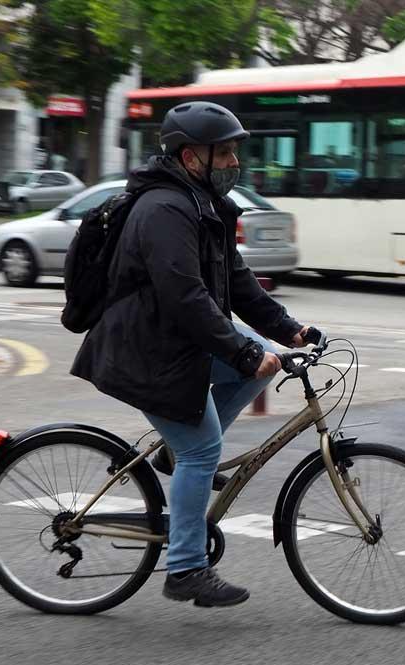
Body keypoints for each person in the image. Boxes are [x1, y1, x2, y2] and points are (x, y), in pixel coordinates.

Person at [71, 101, 317, 608]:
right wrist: (244, 352)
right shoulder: (164, 211)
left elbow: (239, 284)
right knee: (204, 447)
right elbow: (185, 298)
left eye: (233, 152)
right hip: (143, 352)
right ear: (190, 158)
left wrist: (289, 330)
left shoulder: (203, 205)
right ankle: (184, 569)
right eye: (222, 152)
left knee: (259, 363)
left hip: (172, 342)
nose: (233, 162)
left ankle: (172, 452)